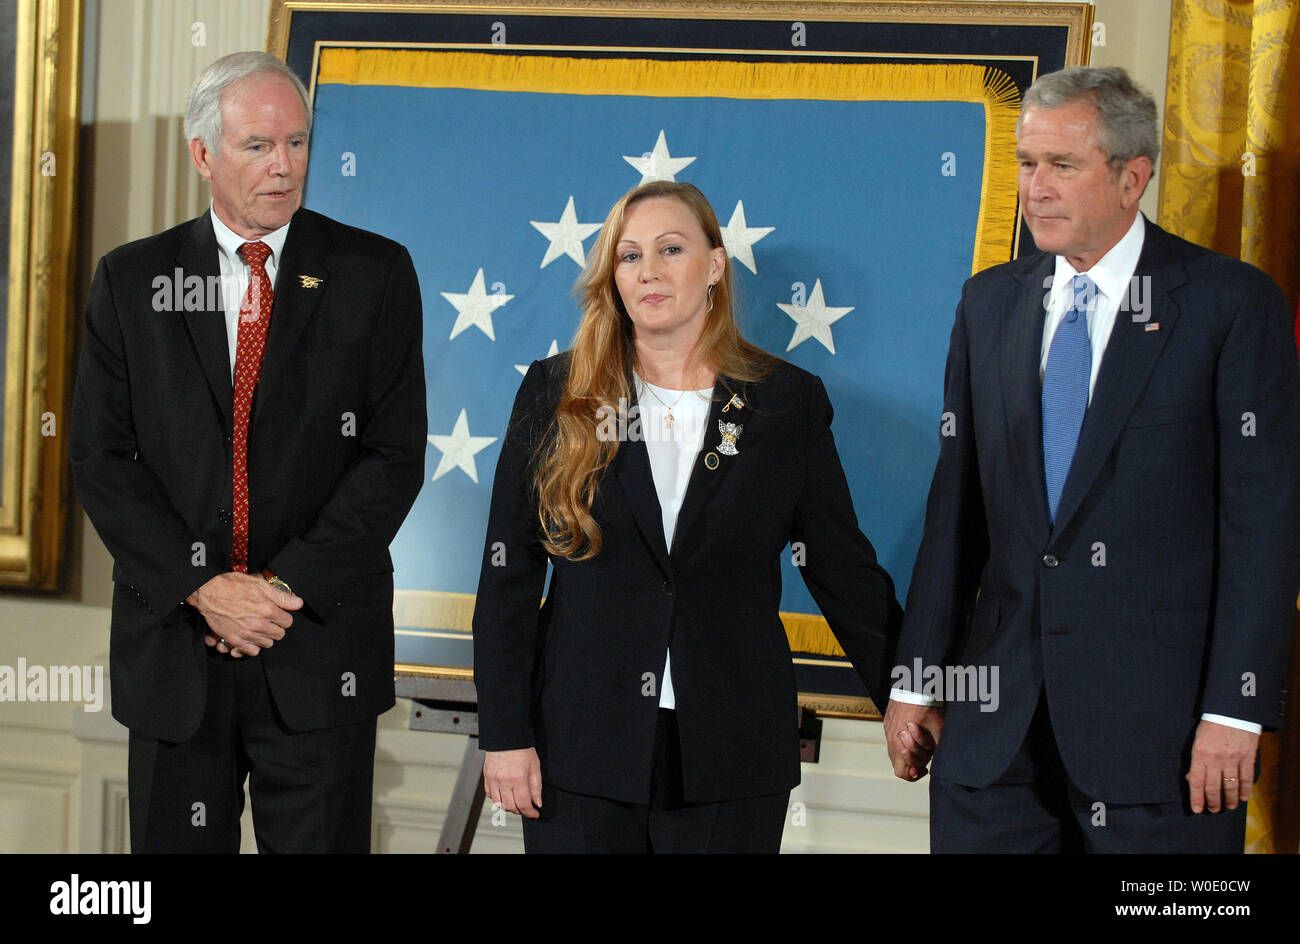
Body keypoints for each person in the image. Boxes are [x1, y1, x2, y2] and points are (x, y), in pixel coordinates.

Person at [884, 66, 1300, 852]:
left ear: (1130, 178)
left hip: (1166, 742)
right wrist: (918, 676)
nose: (1034, 188)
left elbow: (1264, 527)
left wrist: (1234, 709)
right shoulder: (989, 302)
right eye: (1027, 162)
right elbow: (956, 511)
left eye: (1061, 166)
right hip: (994, 736)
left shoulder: (1229, 304)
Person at [472, 180, 901, 853]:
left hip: (732, 754)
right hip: (579, 751)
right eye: (629, 255)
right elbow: (509, 577)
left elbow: (841, 569)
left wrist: (909, 695)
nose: (649, 271)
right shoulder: (556, 392)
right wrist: (503, 734)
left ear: (716, 265)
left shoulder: (785, 401)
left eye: (671, 249)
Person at [70, 51, 427, 853]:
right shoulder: (133, 281)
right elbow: (101, 460)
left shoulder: (373, 274)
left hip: (317, 647)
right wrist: (203, 586)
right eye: (258, 146)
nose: (284, 167)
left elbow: (393, 456)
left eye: (297, 144)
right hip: (175, 658)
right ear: (203, 154)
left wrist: (278, 589)